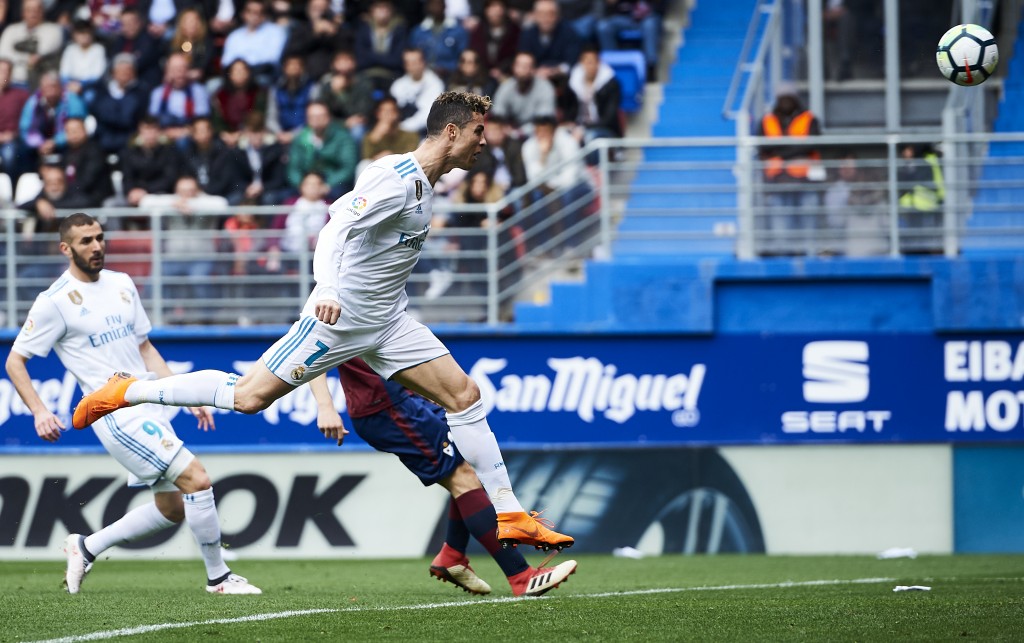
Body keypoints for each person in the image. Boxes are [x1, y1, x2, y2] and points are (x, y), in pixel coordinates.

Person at [73, 91, 575, 551]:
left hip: (390, 323)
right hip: (340, 320)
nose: (484, 142)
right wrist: (329, 288)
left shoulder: (427, 186)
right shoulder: (393, 177)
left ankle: (508, 512)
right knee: (247, 397)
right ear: (450, 131)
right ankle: (126, 391)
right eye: (477, 132)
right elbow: (336, 227)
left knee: (465, 396)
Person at [5, 212, 261, 596]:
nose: (96, 246)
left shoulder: (122, 283)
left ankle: (86, 547)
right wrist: (40, 410)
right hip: (115, 414)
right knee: (198, 479)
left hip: (150, 402)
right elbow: (15, 360)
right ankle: (219, 579)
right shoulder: (53, 302)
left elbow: (144, 347)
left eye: (99, 238)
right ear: (66, 248)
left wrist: (182, 392)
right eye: (86, 241)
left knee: (173, 507)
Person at [309, 359, 577, 596]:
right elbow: (316, 347)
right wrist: (325, 406)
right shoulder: (335, 304)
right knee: (463, 479)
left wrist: (430, 389)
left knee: (472, 467)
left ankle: (452, 555)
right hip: (386, 408)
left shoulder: (373, 304)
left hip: (408, 399)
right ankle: (520, 576)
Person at [756, 88, 823, 256]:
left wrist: (780, 153)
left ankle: (810, 257)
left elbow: (811, 144)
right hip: (777, 181)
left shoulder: (809, 118)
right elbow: (764, 146)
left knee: (809, 221)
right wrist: (795, 149)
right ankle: (783, 257)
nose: (786, 101)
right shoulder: (767, 120)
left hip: (806, 180)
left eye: (789, 97)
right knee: (781, 223)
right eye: (782, 97)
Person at [287, 101, 359, 200]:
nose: (316, 119)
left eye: (320, 116)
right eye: (312, 116)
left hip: (332, 183)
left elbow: (348, 168)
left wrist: (328, 185)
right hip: (306, 183)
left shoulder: (343, 137)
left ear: (329, 117)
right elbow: (293, 167)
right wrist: (301, 185)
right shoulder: (300, 138)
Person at [90, 53, 149, 156]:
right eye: (120, 70)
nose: (124, 74)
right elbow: (97, 111)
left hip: (129, 136)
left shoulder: (141, 92)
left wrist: (111, 116)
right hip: (103, 136)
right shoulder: (102, 90)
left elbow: (131, 118)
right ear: (113, 72)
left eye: (127, 71)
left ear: (133, 73)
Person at [221, 0, 288, 86]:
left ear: (264, 15)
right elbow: (226, 62)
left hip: (262, 74)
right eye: (250, 12)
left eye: (258, 13)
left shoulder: (276, 32)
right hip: (236, 76)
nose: (254, 16)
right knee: (214, 85)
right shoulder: (234, 36)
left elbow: (272, 59)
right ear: (244, 14)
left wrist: (247, 71)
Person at [148, 52, 211, 143]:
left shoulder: (198, 91)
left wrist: (184, 132)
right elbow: (152, 120)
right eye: (175, 70)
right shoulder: (158, 93)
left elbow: (202, 119)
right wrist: (165, 133)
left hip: (190, 134)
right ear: (167, 72)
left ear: (188, 71)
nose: (179, 74)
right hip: (163, 134)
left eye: (182, 69)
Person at [596, 0, 665, 81]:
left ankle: (650, 66)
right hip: (623, 18)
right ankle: (610, 65)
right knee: (603, 27)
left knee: (650, 25)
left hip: (647, 17)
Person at [0, 0, 63, 88]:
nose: (33, 13)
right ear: (23, 12)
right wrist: (26, 59)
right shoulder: (11, 30)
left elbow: (40, 53)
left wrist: (16, 56)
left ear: (43, 11)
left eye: (37, 10)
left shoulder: (54, 30)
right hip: (11, 83)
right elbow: (3, 54)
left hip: (38, 85)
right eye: (29, 10)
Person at [490, 51, 556, 132]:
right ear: (513, 67)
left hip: (536, 134)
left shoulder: (545, 88)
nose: (522, 70)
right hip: (509, 133)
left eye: (526, 66)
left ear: (533, 69)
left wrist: (520, 132)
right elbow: (497, 114)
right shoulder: (507, 86)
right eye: (519, 65)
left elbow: (544, 121)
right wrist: (503, 127)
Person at [897, 144, 945, 254]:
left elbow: (921, 185)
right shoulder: (919, 163)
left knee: (922, 242)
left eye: (907, 150)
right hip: (914, 209)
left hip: (924, 208)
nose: (904, 154)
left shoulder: (926, 162)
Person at [389, 48, 445, 137]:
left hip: (425, 133)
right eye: (408, 63)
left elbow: (427, 115)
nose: (411, 66)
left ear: (423, 62)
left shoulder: (435, 84)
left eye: (414, 62)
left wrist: (402, 128)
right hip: (399, 129)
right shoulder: (398, 85)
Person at [410, 0, 469, 78]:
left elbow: (462, 57)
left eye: (438, 4)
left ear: (445, 6)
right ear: (427, 7)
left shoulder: (458, 30)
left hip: (451, 75)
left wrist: (449, 68)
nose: (436, 7)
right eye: (432, 4)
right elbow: (412, 55)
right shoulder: (419, 31)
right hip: (424, 75)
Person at [0, 57, 29, 180]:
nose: (4, 74)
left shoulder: (22, 95)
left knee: (9, 155)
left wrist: (13, 134)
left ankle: (10, 190)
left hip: (11, 140)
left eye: (7, 71)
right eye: (1, 71)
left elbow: (29, 121)